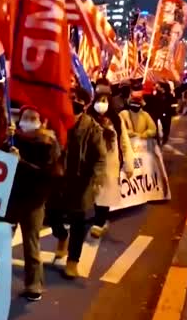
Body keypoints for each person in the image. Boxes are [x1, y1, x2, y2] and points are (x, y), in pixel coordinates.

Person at [51, 87, 106, 279]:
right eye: (69, 98)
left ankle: (73, 261)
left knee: (78, 222)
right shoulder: (56, 123)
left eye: (75, 99)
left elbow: (100, 157)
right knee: (52, 215)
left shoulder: (92, 129)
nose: (71, 102)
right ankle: (61, 236)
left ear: (84, 104)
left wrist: (97, 178)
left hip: (81, 181)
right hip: (58, 180)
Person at [8, 105, 62, 301]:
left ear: (42, 121)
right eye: (26, 117)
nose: (28, 121)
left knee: (31, 245)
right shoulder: (14, 138)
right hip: (12, 199)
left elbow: (47, 174)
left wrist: (20, 162)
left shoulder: (49, 144)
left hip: (34, 201)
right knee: (1, 241)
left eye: (33, 117)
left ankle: (34, 285)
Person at [87, 92, 135, 238]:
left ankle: (99, 222)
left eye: (104, 101)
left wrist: (129, 164)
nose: (101, 104)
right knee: (93, 192)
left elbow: (124, 142)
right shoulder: (88, 119)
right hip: (91, 162)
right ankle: (97, 218)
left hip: (110, 162)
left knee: (105, 192)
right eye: (98, 100)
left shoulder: (116, 120)